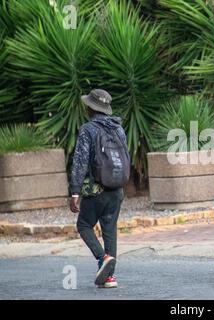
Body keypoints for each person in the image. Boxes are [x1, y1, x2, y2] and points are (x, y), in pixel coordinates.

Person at [69, 89, 129, 289]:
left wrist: (75, 191)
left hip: (97, 189)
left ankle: (102, 258)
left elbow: (80, 161)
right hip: (117, 189)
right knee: (109, 229)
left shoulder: (88, 129)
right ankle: (109, 277)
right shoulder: (118, 128)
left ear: (90, 108)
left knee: (84, 225)